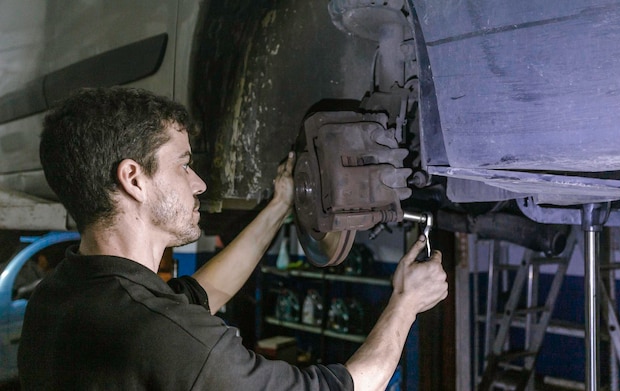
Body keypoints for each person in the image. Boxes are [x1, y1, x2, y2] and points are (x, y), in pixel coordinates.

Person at [18, 87, 448, 390]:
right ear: (134, 178)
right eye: (183, 165)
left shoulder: (61, 293)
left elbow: (207, 291)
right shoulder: (166, 337)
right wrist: (406, 303)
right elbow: (353, 386)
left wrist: (280, 204)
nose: (199, 183)